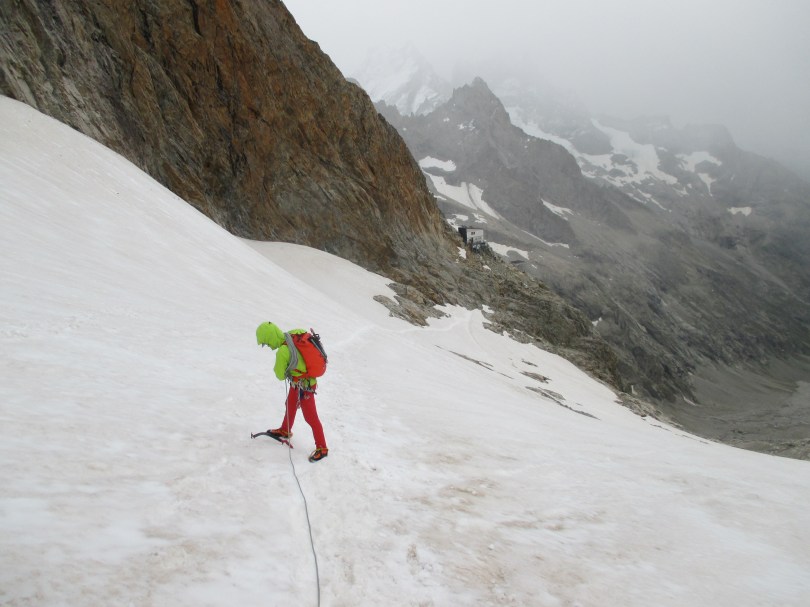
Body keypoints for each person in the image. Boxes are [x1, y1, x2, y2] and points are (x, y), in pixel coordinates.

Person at [256, 322, 328, 462]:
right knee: (290, 405)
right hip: (301, 383)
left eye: (266, 343)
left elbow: (280, 375)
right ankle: (285, 430)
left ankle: (322, 448)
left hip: (305, 386)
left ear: (270, 337)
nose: (269, 347)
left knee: (311, 417)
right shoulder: (293, 335)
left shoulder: (282, 351)